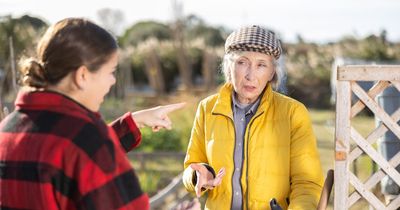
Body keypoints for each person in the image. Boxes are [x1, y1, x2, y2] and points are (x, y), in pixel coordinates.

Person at [0, 18, 198, 210]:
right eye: (111, 72)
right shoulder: (89, 140)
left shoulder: (8, 129)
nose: (113, 81)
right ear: (83, 75)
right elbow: (81, 150)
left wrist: (134, 122)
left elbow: (63, 154)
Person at [182, 25, 324, 210]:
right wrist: (198, 175)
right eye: (242, 62)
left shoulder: (293, 113)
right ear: (229, 67)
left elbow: (308, 182)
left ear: (272, 72)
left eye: (261, 65)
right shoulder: (207, 108)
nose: (250, 75)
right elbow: (190, 168)